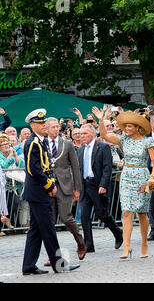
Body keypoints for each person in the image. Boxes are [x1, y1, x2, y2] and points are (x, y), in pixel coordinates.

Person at [93, 107, 154, 259]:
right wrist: (101, 119)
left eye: (129, 126)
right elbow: (104, 135)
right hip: (127, 176)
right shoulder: (123, 139)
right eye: (125, 126)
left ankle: (144, 243)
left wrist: (152, 178)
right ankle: (127, 245)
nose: (126, 129)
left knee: (141, 212)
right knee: (126, 211)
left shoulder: (147, 141)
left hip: (142, 176)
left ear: (138, 128)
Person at [22, 109, 80, 275]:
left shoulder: (41, 141)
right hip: (39, 193)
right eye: (40, 124)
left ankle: (28, 266)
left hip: (39, 192)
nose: (44, 126)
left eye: (44, 123)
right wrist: (50, 185)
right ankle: (58, 264)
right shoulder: (32, 142)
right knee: (48, 230)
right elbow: (33, 169)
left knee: (36, 231)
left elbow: (47, 166)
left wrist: (51, 181)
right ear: (33, 125)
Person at [44, 117, 86, 264]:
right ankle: (53, 255)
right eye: (53, 127)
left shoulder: (67, 144)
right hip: (48, 187)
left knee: (66, 217)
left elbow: (75, 167)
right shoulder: (42, 143)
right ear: (47, 128)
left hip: (64, 186)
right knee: (49, 222)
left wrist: (77, 188)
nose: (56, 129)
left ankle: (80, 242)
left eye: (57, 126)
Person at [77, 123, 123, 254]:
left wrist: (103, 185)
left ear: (92, 134)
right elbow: (79, 169)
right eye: (81, 134)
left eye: (85, 134)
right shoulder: (80, 150)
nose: (82, 136)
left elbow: (107, 168)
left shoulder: (103, 147)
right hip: (85, 186)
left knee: (102, 213)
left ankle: (118, 233)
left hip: (97, 185)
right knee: (85, 216)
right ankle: (88, 245)